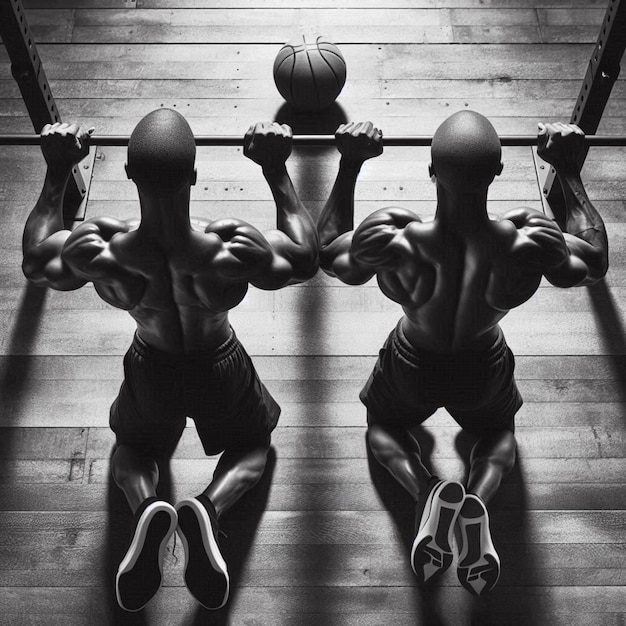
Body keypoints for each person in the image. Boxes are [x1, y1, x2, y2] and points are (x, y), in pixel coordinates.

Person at [22, 110, 319, 612]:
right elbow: (306, 256)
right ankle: (207, 507)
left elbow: (35, 260)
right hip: (217, 361)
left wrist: (56, 170)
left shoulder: (101, 248)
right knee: (252, 448)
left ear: (130, 176)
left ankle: (146, 508)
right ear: (195, 176)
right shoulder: (231, 247)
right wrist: (275, 169)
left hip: (151, 363)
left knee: (133, 451)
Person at [316, 112, 608, 596]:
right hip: (482, 363)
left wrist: (350, 164)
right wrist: (570, 169)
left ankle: (427, 492)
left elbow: (326, 253)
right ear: (496, 173)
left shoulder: (395, 237)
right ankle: (476, 498)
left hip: (413, 359)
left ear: (431, 172)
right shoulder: (527, 239)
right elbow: (594, 261)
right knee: (497, 436)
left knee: (384, 428)